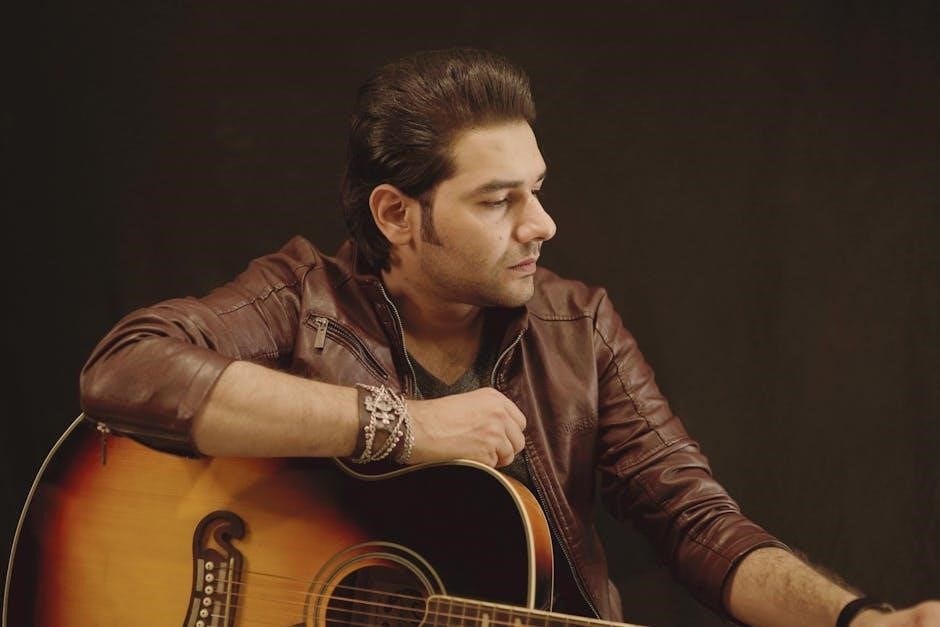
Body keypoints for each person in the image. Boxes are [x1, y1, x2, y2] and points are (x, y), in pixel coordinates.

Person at [79, 47, 939, 626]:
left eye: (537, 188)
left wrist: (856, 619)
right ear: (396, 214)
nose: (542, 223)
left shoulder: (577, 326)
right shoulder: (299, 298)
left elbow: (695, 521)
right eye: (498, 200)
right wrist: (401, 426)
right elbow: (125, 370)